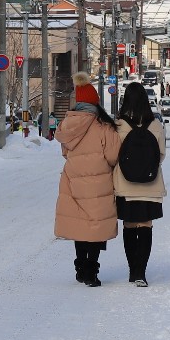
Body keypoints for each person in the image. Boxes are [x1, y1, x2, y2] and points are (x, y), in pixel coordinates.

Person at [54, 73, 120, 287]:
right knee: (96, 226)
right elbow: (113, 156)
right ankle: (91, 270)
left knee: (80, 224)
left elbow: (66, 153)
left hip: (73, 179)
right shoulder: (104, 127)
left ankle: (80, 267)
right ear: (95, 103)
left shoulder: (67, 124)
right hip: (99, 181)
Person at [112, 82, 167, 287]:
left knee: (129, 225)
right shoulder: (156, 125)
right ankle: (140, 273)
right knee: (145, 226)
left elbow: (113, 155)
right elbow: (161, 155)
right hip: (150, 185)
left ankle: (132, 268)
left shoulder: (119, 125)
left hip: (125, 184)